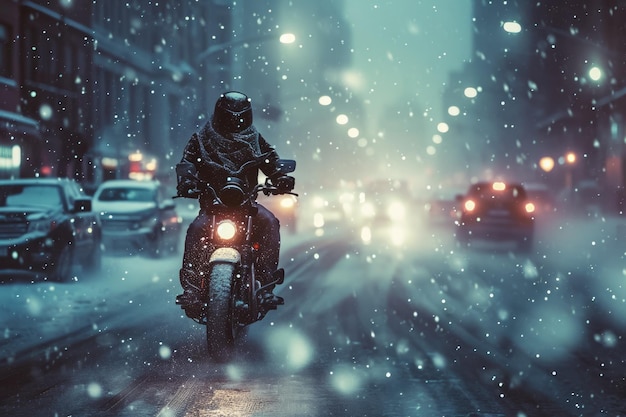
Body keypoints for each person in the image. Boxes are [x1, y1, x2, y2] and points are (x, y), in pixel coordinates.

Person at [175, 91, 293, 317]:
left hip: (247, 207)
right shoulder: (201, 139)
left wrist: (281, 178)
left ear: (247, 116)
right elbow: (187, 162)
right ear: (220, 115)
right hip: (213, 208)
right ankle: (191, 288)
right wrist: (187, 181)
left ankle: (265, 284)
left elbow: (272, 161)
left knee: (269, 223)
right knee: (196, 230)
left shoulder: (256, 141)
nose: (235, 122)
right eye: (230, 117)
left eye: (240, 117)